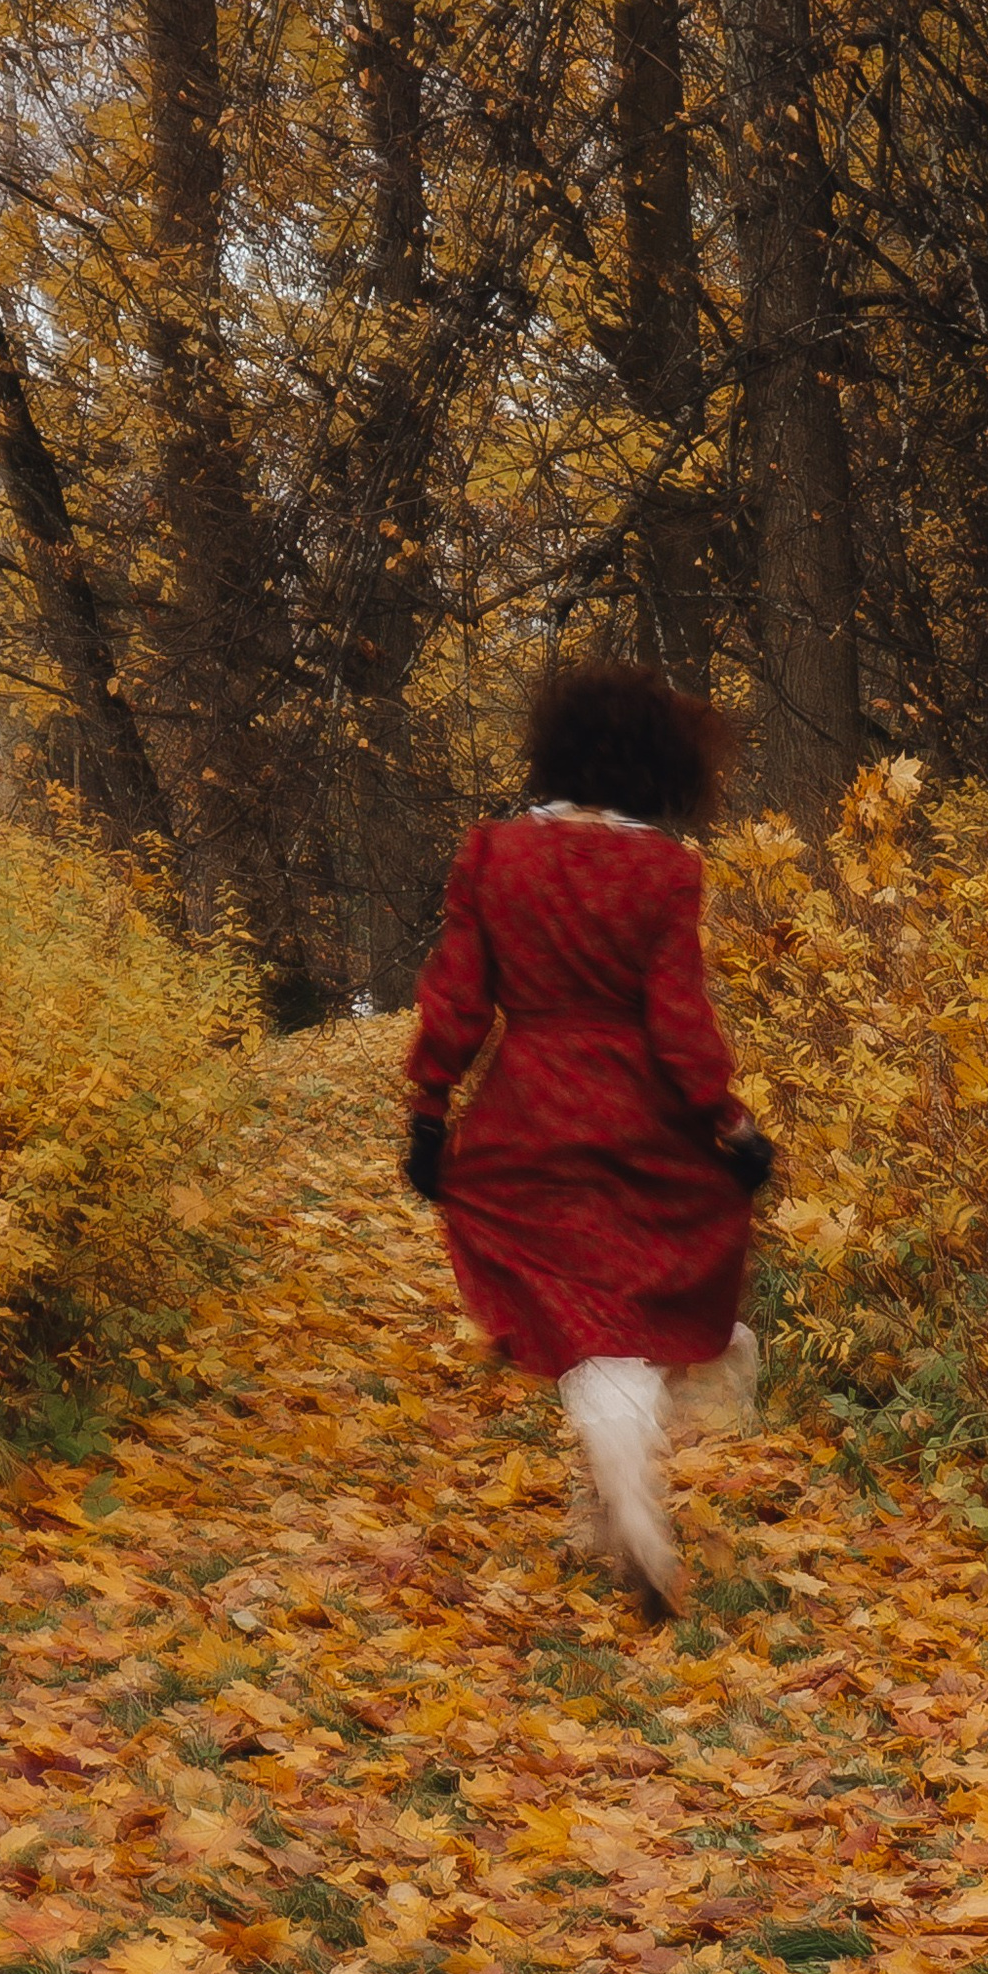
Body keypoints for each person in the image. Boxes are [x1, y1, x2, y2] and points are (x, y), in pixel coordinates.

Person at [399, 660, 773, 1618]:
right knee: (640, 1297)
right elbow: (677, 1018)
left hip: (530, 1110)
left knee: (578, 1312)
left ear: (555, 749)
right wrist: (726, 1120)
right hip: (642, 1114)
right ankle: (625, 1487)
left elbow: (459, 997)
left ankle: (617, 1493)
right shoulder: (663, 870)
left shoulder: (493, 855)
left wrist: (431, 1109)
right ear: (661, 763)